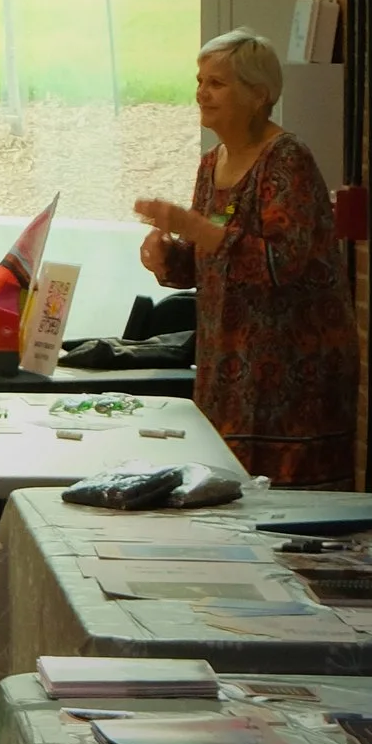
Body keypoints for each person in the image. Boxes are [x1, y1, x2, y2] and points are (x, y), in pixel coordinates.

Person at [132, 29, 358, 485]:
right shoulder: (211, 162)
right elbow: (210, 262)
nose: (201, 94)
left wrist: (196, 228)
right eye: (199, 81)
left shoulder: (286, 159)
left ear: (259, 94)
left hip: (292, 390)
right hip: (226, 379)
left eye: (216, 83)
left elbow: (280, 263)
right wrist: (167, 256)